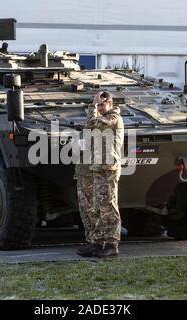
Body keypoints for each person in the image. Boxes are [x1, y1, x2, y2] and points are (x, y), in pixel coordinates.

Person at [75, 91, 124, 258]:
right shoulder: (103, 118)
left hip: (108, 169)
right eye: (99, 105)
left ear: (110, 104)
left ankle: (111, 244)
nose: (101, 108)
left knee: (108, 206)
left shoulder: (113, 118)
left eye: (103, 105)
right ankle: (97, 242)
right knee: (97, 207)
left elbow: (92, 124)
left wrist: (93, 107)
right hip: (98, 168)